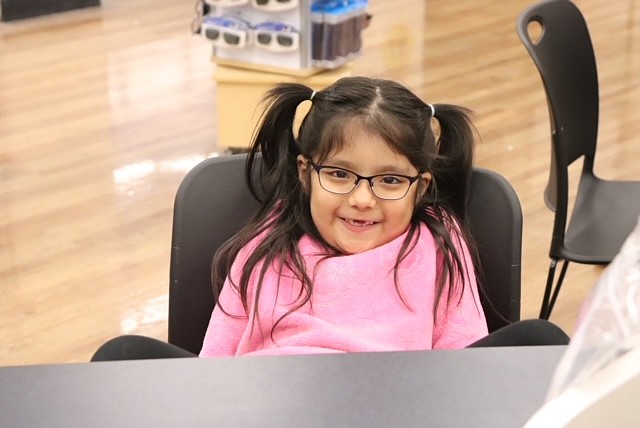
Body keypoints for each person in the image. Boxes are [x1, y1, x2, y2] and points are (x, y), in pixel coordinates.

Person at [91, 76, 568, 362]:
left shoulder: (438, 246)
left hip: (398, 413)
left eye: (389, 180)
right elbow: (217, 364)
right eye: (340, 174)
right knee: (122, 356)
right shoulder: (266, 245)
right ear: (306, 173)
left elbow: (466, 369)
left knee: (540, 340)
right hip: (272, 410)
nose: (362, 199)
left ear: (420, 187)